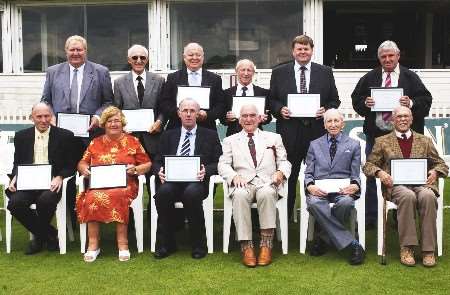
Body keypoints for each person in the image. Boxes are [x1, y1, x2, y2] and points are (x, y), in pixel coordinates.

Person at [352, 40, 432, 228]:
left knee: (404, 175)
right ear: (379, 58)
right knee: (373, 173)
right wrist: (365, 103)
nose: (387, 59)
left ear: (398, 56)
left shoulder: (410, 77)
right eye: (383, 56)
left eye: (391, 56)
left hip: (404, 137)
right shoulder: (370, 77)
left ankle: (400, 215)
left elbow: (426, 100)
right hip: (377, 135)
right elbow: (356, 99)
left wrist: (411, 103)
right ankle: (372, 216)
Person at [41, 35, 114, 224]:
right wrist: (52, 116)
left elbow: (108, 101)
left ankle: (95, 214)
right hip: (62, 135)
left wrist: (98, 116)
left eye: (79, 50)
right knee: (66, 174)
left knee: (91, 174)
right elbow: (45, 100)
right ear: (66, 52)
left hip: (91, 134)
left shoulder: (100, 72)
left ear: (85, 51)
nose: (75, 53)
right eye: (72, 50)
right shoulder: (53, 72)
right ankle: (70, 217)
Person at [363, 106, 447, 267]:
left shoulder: (425, 140)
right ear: (393, 120)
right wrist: (380, 173)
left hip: (422, 184)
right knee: (407, 196)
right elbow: (368, 165)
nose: (403, 119)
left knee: (428, 196)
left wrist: (436, 172)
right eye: (399, 116)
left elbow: (442, 164)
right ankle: (407, 248)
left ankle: (428, 250)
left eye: (406, 116)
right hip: (396, 186)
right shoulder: (382, 141)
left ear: (411, 119)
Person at [268, 35, 340, 218]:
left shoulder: (325, 72)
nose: (302, 52)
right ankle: (285, 216)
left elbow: (335, 100)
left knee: (317, 175)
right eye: (299, 49)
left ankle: (317, 218)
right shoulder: (279, 72)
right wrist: (279, 109)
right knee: (288, 176)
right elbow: (271, 100)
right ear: (293, 51)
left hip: (317, 132)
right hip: (289, 132)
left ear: (311, 50)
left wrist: (326, 109)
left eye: (306, 48)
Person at [218, 104, 291, 267]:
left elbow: (285, 161)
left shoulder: (274, 138)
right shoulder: (230, 140)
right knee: (239, 195)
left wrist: (280, 172)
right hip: (243, 182)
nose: (248, 119)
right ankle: (247, 246)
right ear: (239, 119)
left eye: (252, 115)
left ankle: (266, 245)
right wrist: (233, 176)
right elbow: (222, 165)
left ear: (259, 118)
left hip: (267, 182)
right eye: (244, 116)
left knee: (266, 193)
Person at [76, 106, 151, 262]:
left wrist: (135, 169)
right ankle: (93, 244)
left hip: (126, 184)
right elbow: (82, 162)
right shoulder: (95, 143)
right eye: (110, 121)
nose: (114, 124)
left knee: (118, 195)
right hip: (99, 184)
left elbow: (147, 164)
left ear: (122, 123)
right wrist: (84, 169)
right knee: (91, 198)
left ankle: (122, 244)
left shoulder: (133, 141)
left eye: (117, 120)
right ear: (104, 124)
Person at [153, 98, 222, 259]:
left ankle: (198, 244)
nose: (189, 114)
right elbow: (156, 161)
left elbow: (219, 161)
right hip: (172, 180)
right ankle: (167, 243)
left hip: (197, 181)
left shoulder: (210, 135)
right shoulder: (168, 135)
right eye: (185, 111)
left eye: (192, 111)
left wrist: (207, 170)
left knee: (191, 194)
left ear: (198, 114)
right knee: (163, 193)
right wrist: (159, 171)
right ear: (179, 113)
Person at [6, 102, 75, 254]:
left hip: (51, 182)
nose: (43, 120)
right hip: (28, 182)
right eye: (39, 116)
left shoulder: (65, 136)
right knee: (15, 203)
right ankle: (49, 235)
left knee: (45, 200)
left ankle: (38, 239)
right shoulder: (21, 136)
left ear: (52, 116)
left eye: (47, 116)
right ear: (32, 118)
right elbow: (17, 162)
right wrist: (14, 177)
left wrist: (60, 177)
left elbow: (71, 164)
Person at [304, 109, 364, 265]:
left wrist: (355, 186)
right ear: (324, 125)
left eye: (336, 121)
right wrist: (310, 186)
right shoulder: (314, 144)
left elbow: (355, 174)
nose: (333, 124)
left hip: (342, 190)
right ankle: (353, 244)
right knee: (314, 203)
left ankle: (323, 238)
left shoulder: (354, 144)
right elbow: (308, 172)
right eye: (329, 121)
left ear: (342, 124)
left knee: (346, 203)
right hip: (319, 189)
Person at [113, 44, 165, 193]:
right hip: (129, 138)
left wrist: (159, 122)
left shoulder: (159, 80)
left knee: (155, 181)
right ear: (129, 60)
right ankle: (129, 214)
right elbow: (117, 109)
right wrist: (121, 126)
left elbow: (163, 108)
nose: (138, 60)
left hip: (153, 138)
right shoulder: (119, 82)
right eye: (135, 57)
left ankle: (154, 213)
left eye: (142, 57)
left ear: (147, 59)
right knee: (127, 179)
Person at [160, 42, 226, 131]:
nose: (194, 58)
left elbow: (220, 105)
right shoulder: (173, 78)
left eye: (198, 55)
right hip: (177, 128)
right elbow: (165, 103)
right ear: (184, 57)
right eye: (190, 55)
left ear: (203, 57)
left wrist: (207, 115)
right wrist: (179, 113)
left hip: (206, 129)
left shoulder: (215, 79)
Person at [221, 59, 271, 136]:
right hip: (233, 135)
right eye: (242, 70)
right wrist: (227, 118)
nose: (246, 73)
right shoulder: (226, 93)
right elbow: (222, 119)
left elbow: (269, 117)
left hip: (256, 135)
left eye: (249, 70)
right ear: (236, 72)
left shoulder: (263, 92)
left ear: (253, 73)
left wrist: (264, 119)